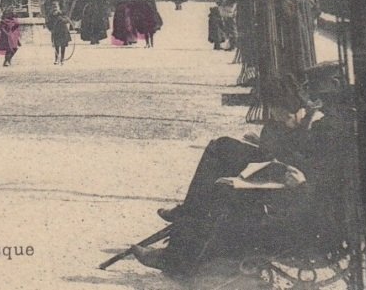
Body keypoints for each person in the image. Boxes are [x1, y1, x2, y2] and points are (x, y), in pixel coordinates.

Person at [131, 76, 352, 278]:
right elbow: (288, 153)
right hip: (283, 183)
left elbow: (327, 183)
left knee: (222, 191)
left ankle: (176, 253)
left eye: (282, 116)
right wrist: (267, 145)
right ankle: (186, 221)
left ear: (295, 109)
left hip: (300, 203)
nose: (280, 120)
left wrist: (303, 183)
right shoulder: (301, 123)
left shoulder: (327, 132)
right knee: (222, 147)